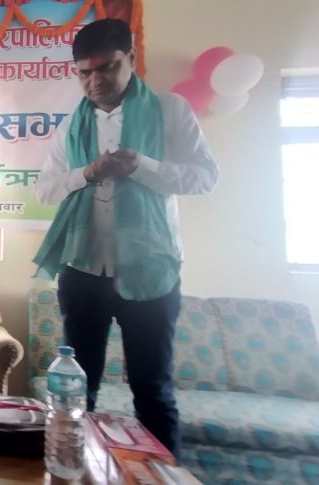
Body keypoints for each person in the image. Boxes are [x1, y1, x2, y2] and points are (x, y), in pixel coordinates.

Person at [33, 19, 218, 457]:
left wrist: (143, 166)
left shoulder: (170, 110)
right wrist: (87, 173)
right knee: (77, 390)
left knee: (152, 392)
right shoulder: (71, 124)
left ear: (131, 59)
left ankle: (161, 477)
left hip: (150, 271)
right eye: (84, 72)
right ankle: (73, 471)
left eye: (107, 68)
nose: (95, 81)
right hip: (83, 271)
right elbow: (45, 190)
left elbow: (205, 177)